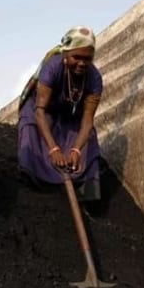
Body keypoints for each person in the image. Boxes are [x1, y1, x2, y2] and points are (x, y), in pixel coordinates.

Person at [17, 25, 104, 200]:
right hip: (43, 110)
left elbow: (87, 121)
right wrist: (54, 150)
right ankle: (35, 185)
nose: (81, 63)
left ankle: (86, 193)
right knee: (31, 128)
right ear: (65, 54)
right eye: (76, 57)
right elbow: (40, 112)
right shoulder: (53, 67)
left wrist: (75, 151)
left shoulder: (94, 78)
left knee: (89, 138)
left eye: (87, 59)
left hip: (70, 113)